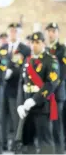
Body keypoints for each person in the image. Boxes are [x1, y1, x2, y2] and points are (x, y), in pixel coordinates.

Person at [17, 31, 59, 153]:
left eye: (37, 42)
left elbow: (51, 84)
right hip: (27, 108)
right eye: (32, 42)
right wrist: (20, 104)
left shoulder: (50, 60)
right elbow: (22, 84)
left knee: (45, 142)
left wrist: (34, 100)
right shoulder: (27, 61)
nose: (34, 45)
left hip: (42, 107)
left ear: (43, 43)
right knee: (27, 142)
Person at [1, 23, 31, 150]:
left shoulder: (25, 49)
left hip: (16, 88)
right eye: (11, 31)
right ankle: (2, 144)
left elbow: (27, 68)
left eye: (15, 31)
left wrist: (13, 72)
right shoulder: (4, 47)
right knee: (2, 118)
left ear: (19, 32)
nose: (13, 33)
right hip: (2, 88)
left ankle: (15, 145)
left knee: (15, 118)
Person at [45, 22, 66, 154]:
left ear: (57, 33)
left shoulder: (62, 49)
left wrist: (51, 87)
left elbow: (63, 72)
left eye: (53, 31)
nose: (51, 33)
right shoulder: (46, 49)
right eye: (49, 31)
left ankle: (59, 150)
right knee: (48, 123)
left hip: (57, 93)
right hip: (47, 92)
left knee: (57, 123)